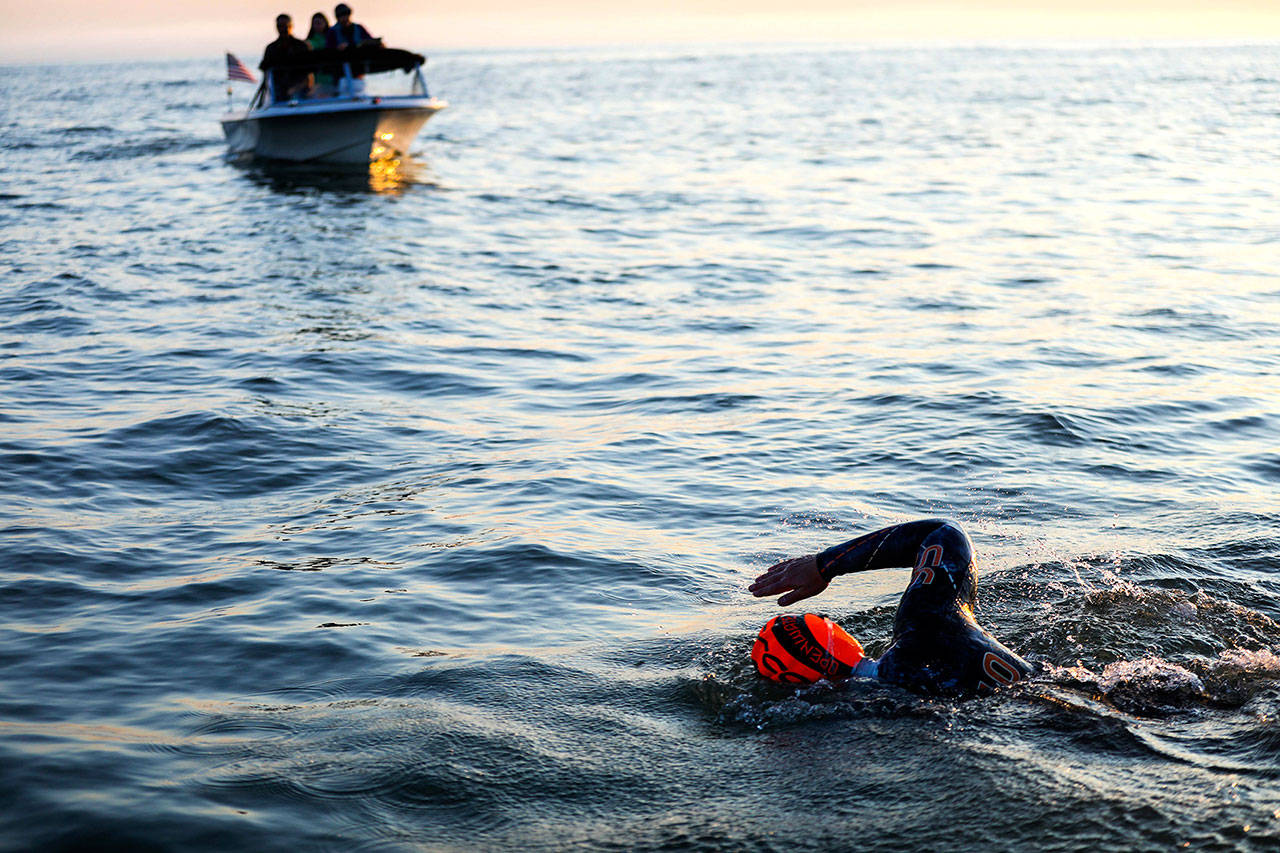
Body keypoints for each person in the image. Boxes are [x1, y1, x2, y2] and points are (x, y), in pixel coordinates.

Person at [749, 518, 1033, 696]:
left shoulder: (879, 702)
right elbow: (944, 534)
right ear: (835, 634)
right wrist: (825, 565)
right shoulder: (924, 625)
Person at [259, 13, 312, 101]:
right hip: (278, 94)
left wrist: (297, 88)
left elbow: (310, 73)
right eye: (280, 26)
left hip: (301, 92)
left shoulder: (302, 46)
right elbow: (266, 73)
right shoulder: (271, 49)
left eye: (285, 26)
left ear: (291, 26)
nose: (283, 29)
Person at [304, 12, 336, 95]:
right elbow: (309, 45)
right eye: (315, 24)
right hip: (318, 80)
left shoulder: (332, 38)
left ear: (325, 23)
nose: (317, 26)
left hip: (333, 78)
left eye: (319, 23)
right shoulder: (311, 40)